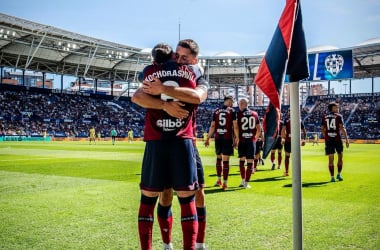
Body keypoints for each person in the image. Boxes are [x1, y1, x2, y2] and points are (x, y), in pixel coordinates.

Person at [134, 39, 209, 250]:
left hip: (178, 142)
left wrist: (163, 89)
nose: (179, 59)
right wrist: (164, 105)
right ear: (172, 55)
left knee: (155, 197)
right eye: (177, 55)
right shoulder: (192, 74)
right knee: (181, 197)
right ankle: (170, 244)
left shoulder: (152, 73)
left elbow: (197, 97)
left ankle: (198, 243)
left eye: (184, 57)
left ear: (194, 59)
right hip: (179, 141)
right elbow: (137, 96)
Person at [204, 95, 239, 190]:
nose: (232, 104)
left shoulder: (216, 111)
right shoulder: (232, 111)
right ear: (228, 101)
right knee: (226, 160)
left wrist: (208, 138)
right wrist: (237, 138)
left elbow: (212, 126)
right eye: (232, 101)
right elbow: (235, 126)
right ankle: (225, 183)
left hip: (218, 138)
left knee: (219, 158)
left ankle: (219, 179)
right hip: (227, 138)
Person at [321, 102, 349, 182]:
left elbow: (322, 128)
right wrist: (347, 139)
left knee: (330, 159)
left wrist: (326, 136)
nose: (338, 109)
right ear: (333, 108)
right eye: (337, 107)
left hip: (329, 140)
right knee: (340, 156)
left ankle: (332, 177)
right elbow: (342, 128)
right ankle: (339, 174)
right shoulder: (339, 116)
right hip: (337, 139)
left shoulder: (324, 117)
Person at [236, 98, 261, 188]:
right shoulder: (254, 114)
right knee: (250, 161)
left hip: (242, 140)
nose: (238, 106)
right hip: (251, 141)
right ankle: (246, 183)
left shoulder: (238, 114)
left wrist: (237, 139)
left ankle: (243, 180)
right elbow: (259, 129)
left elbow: (236, 128)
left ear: (242, 104)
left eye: (239, 104)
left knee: (242, 160)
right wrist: (255, 138)